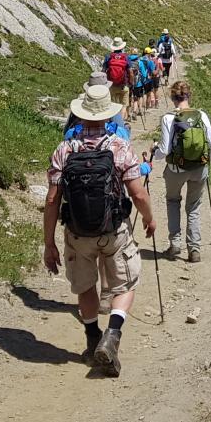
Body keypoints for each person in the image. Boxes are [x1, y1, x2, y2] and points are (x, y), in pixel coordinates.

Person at [44, 79, 156, 377]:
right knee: (126, 284)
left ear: (80, 115)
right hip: (113, 229)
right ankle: (113, 335)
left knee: (85, 286)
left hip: (77, 232)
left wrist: (49, 243)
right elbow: (138, 192)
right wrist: (148, 217)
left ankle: (92, 336)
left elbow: (53, 199)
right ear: (109, 115)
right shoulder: (119, 147)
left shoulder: (64, 150)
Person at [156, 80, 211, 263]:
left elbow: (165, 150)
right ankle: (194, 249)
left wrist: (154, 152)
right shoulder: (201, 115)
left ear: (173, 97)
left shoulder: (168, 118)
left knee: (173, 201)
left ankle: (175, 244)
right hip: (199, 168)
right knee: (194, 207)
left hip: (176, 169)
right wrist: (206, 161)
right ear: (189, 95)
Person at [103, 38, 132, 119]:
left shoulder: (108, 56)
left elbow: (103, 71)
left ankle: (113, 122)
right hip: (124, 85)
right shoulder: (126, 57)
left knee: (112, 105)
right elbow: (130, 72)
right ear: (122, 47)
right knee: (123, 106)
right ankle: (121, 124)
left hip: (112, 85)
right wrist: (131, 82)